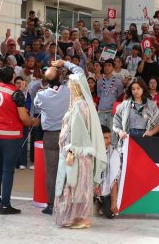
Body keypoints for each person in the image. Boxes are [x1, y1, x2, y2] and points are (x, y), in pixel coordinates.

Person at [53, 72, 108, 229]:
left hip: (76, 154)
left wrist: (72, 152)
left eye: (70, 84)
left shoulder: (78, 105)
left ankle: (80, 218)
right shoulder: (82, 104)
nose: (68, 87)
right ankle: (76, 216)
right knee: (77, 185)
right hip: (79, 153)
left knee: (76, 186)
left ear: (76, 87)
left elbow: (78, 131)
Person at [33, 58, 84, 215]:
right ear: (61, 78)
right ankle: (67, 202)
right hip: (67, 135)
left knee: (51, 170)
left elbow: (36, 104)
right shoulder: (68, 90)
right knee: (69, 169)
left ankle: (51, 204)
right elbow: (80, 74)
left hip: (49, 136)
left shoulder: (41, 95)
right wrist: (64, 63)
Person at [0, 66, 40, 214]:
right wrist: (32, 122)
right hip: (10, 135)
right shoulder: (16, 93)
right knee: (7, 170)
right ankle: (5, 204)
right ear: (12, 77)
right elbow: (23, 118)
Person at [113, 77, 159, 146]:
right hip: (128, 137)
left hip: (145, 138)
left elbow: (158, 124)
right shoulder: (124, 104)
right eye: (133, 89)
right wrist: (120, 132)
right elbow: (115, 124)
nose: (136, 91)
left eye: (138, 88)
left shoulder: (151, 105)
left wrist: (150, 133)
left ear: (143, 89)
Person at [95, 125, 121, 219]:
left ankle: (102, 202)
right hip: (91, 188)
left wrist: (113, 203)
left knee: (110, 214)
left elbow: (114, 179)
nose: (109, 140)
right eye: (105, 138)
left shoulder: (114, 153)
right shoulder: (92, 151)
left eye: (110, 137)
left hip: (105, 190)